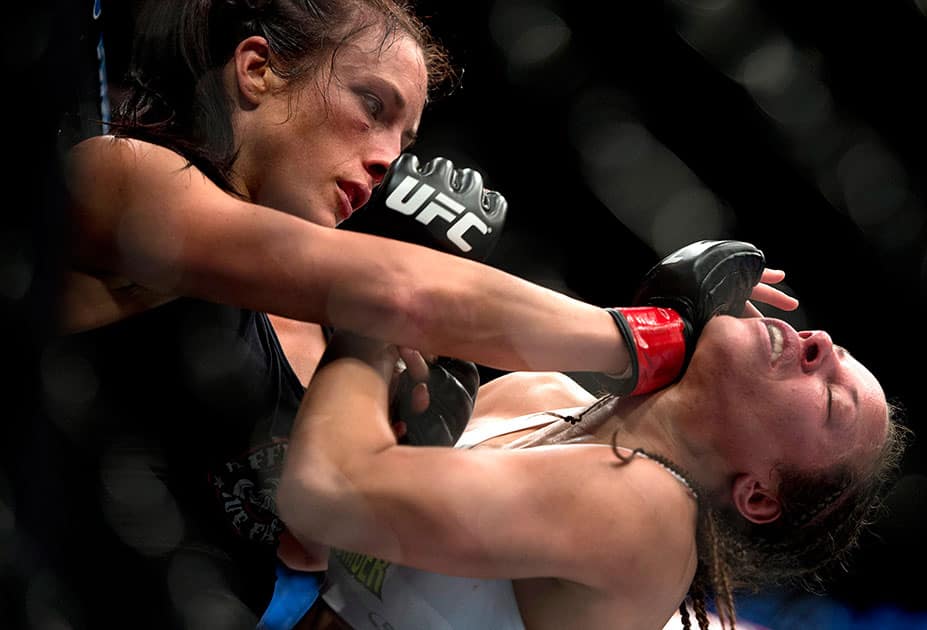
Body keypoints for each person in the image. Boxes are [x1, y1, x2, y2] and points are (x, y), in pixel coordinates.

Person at [37, 1, 799, 629]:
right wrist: (657, 333)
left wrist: (402, 418)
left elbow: (307, 544)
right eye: (372, 107)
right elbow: (406, 290)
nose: (386, 158)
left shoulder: (319, 322)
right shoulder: (131, 178)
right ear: (259, 71)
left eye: (404, 141)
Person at [274, 240, 909, 630]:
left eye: (832, 399)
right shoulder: (541, 396)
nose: (818, 345)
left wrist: (373, 324)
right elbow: (309, 543)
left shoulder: (643, 510)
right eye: (830, 347)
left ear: (761, 496)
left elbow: (323, 492)